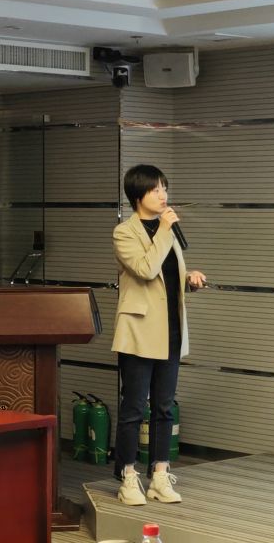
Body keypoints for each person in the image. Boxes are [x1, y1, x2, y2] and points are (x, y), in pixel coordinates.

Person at [111, 164, 207, 506]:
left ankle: (160, 475)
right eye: (155, 190)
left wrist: (189, 278)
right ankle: (128, 476)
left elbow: (165, 278)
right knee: (134, 408)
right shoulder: (124, 232)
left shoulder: (168, 231)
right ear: (138, 195)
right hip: (139, 331)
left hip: (170, 330)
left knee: (164, 407)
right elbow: (145, 269)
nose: (163, 195)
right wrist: (165, 230)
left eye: (164, 188)